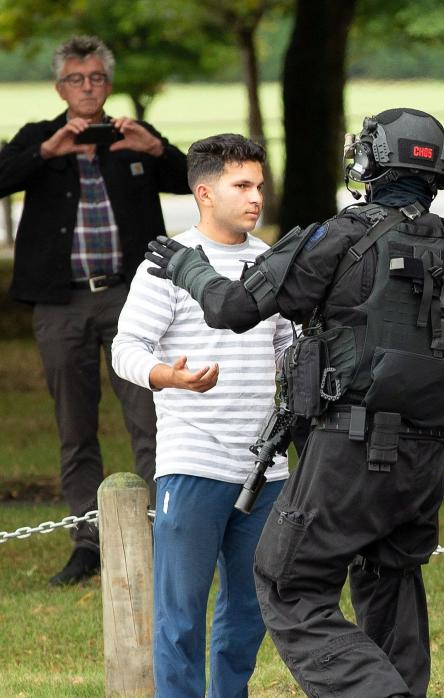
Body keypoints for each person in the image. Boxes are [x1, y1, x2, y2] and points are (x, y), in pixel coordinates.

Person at [143, 108, 444, 698]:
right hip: (426, 457)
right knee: (391, 581)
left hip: (348, 451)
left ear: (371, 160)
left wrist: (187, 267)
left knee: (287, 585)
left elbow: (235, 309)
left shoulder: (343, 234)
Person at [0, 35, 190, 586]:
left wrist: (155, 150)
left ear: (109, 84)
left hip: (136, 298)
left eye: (97, 79)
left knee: (152, 419)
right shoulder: (41, 137)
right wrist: (46, 153)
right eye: (76, 80)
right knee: (75, 427)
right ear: (61, 87)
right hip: (61, 303)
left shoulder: (133, 138)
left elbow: (192, 182)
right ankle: (89, 543)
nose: (87, 89)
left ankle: (162, 536)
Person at [111, 133, 293, 696]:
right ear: (204, 192)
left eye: (259, 186)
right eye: (242, 186)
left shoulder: (272, 263)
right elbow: (126, 348)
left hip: (268, 470)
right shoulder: (167, 265)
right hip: (193, 464)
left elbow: (289, 347)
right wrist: (170, 377)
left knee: (248, 613)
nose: (255, 198)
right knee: (181, 615)